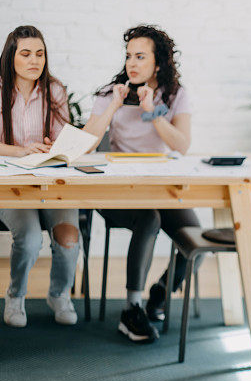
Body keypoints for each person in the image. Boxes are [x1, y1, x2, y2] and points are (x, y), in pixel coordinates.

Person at [83, 24, 197, 343]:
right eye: (129, 56)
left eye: (140, 56)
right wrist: (114, 107)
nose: (132, 63)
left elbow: (182, 145)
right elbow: (87, 144)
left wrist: (153, 113)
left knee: (197, 241)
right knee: (149, 218)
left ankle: (159, 294)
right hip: (117, 192)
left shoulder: (175, 95)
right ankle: (131, 309)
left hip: (160, 188)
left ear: (157, 62)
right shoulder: (110, 93)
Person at [0, 25, 79, 328]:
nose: (34, 60)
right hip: (11, 187)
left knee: (69, 236)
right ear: (11, 57)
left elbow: (66, 143)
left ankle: (59, 294)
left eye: (40, 54)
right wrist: (19, 151)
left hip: (51, 183)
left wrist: (54, 147)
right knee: (31, 239)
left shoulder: (54, 90)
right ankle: (16, 296)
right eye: (26, 54)